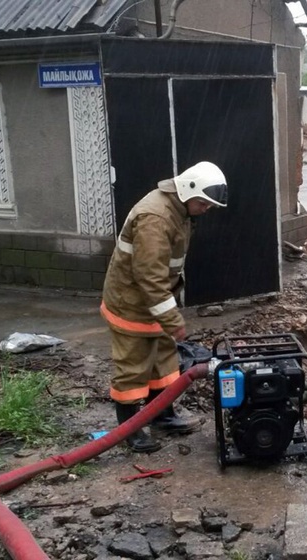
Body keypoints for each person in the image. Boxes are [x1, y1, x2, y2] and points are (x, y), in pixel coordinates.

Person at [100, 161, 228, 452]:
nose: (206, 210)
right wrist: (172, 319)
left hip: (153, 303)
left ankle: (163, 414)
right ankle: (129, 430)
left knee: (164, 361)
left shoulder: (180, 208)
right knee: (133, 367)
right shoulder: (155, 218)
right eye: (204, 204)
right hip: (131, 305)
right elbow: (149, 276)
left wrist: (167, 317)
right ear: (188, 190)